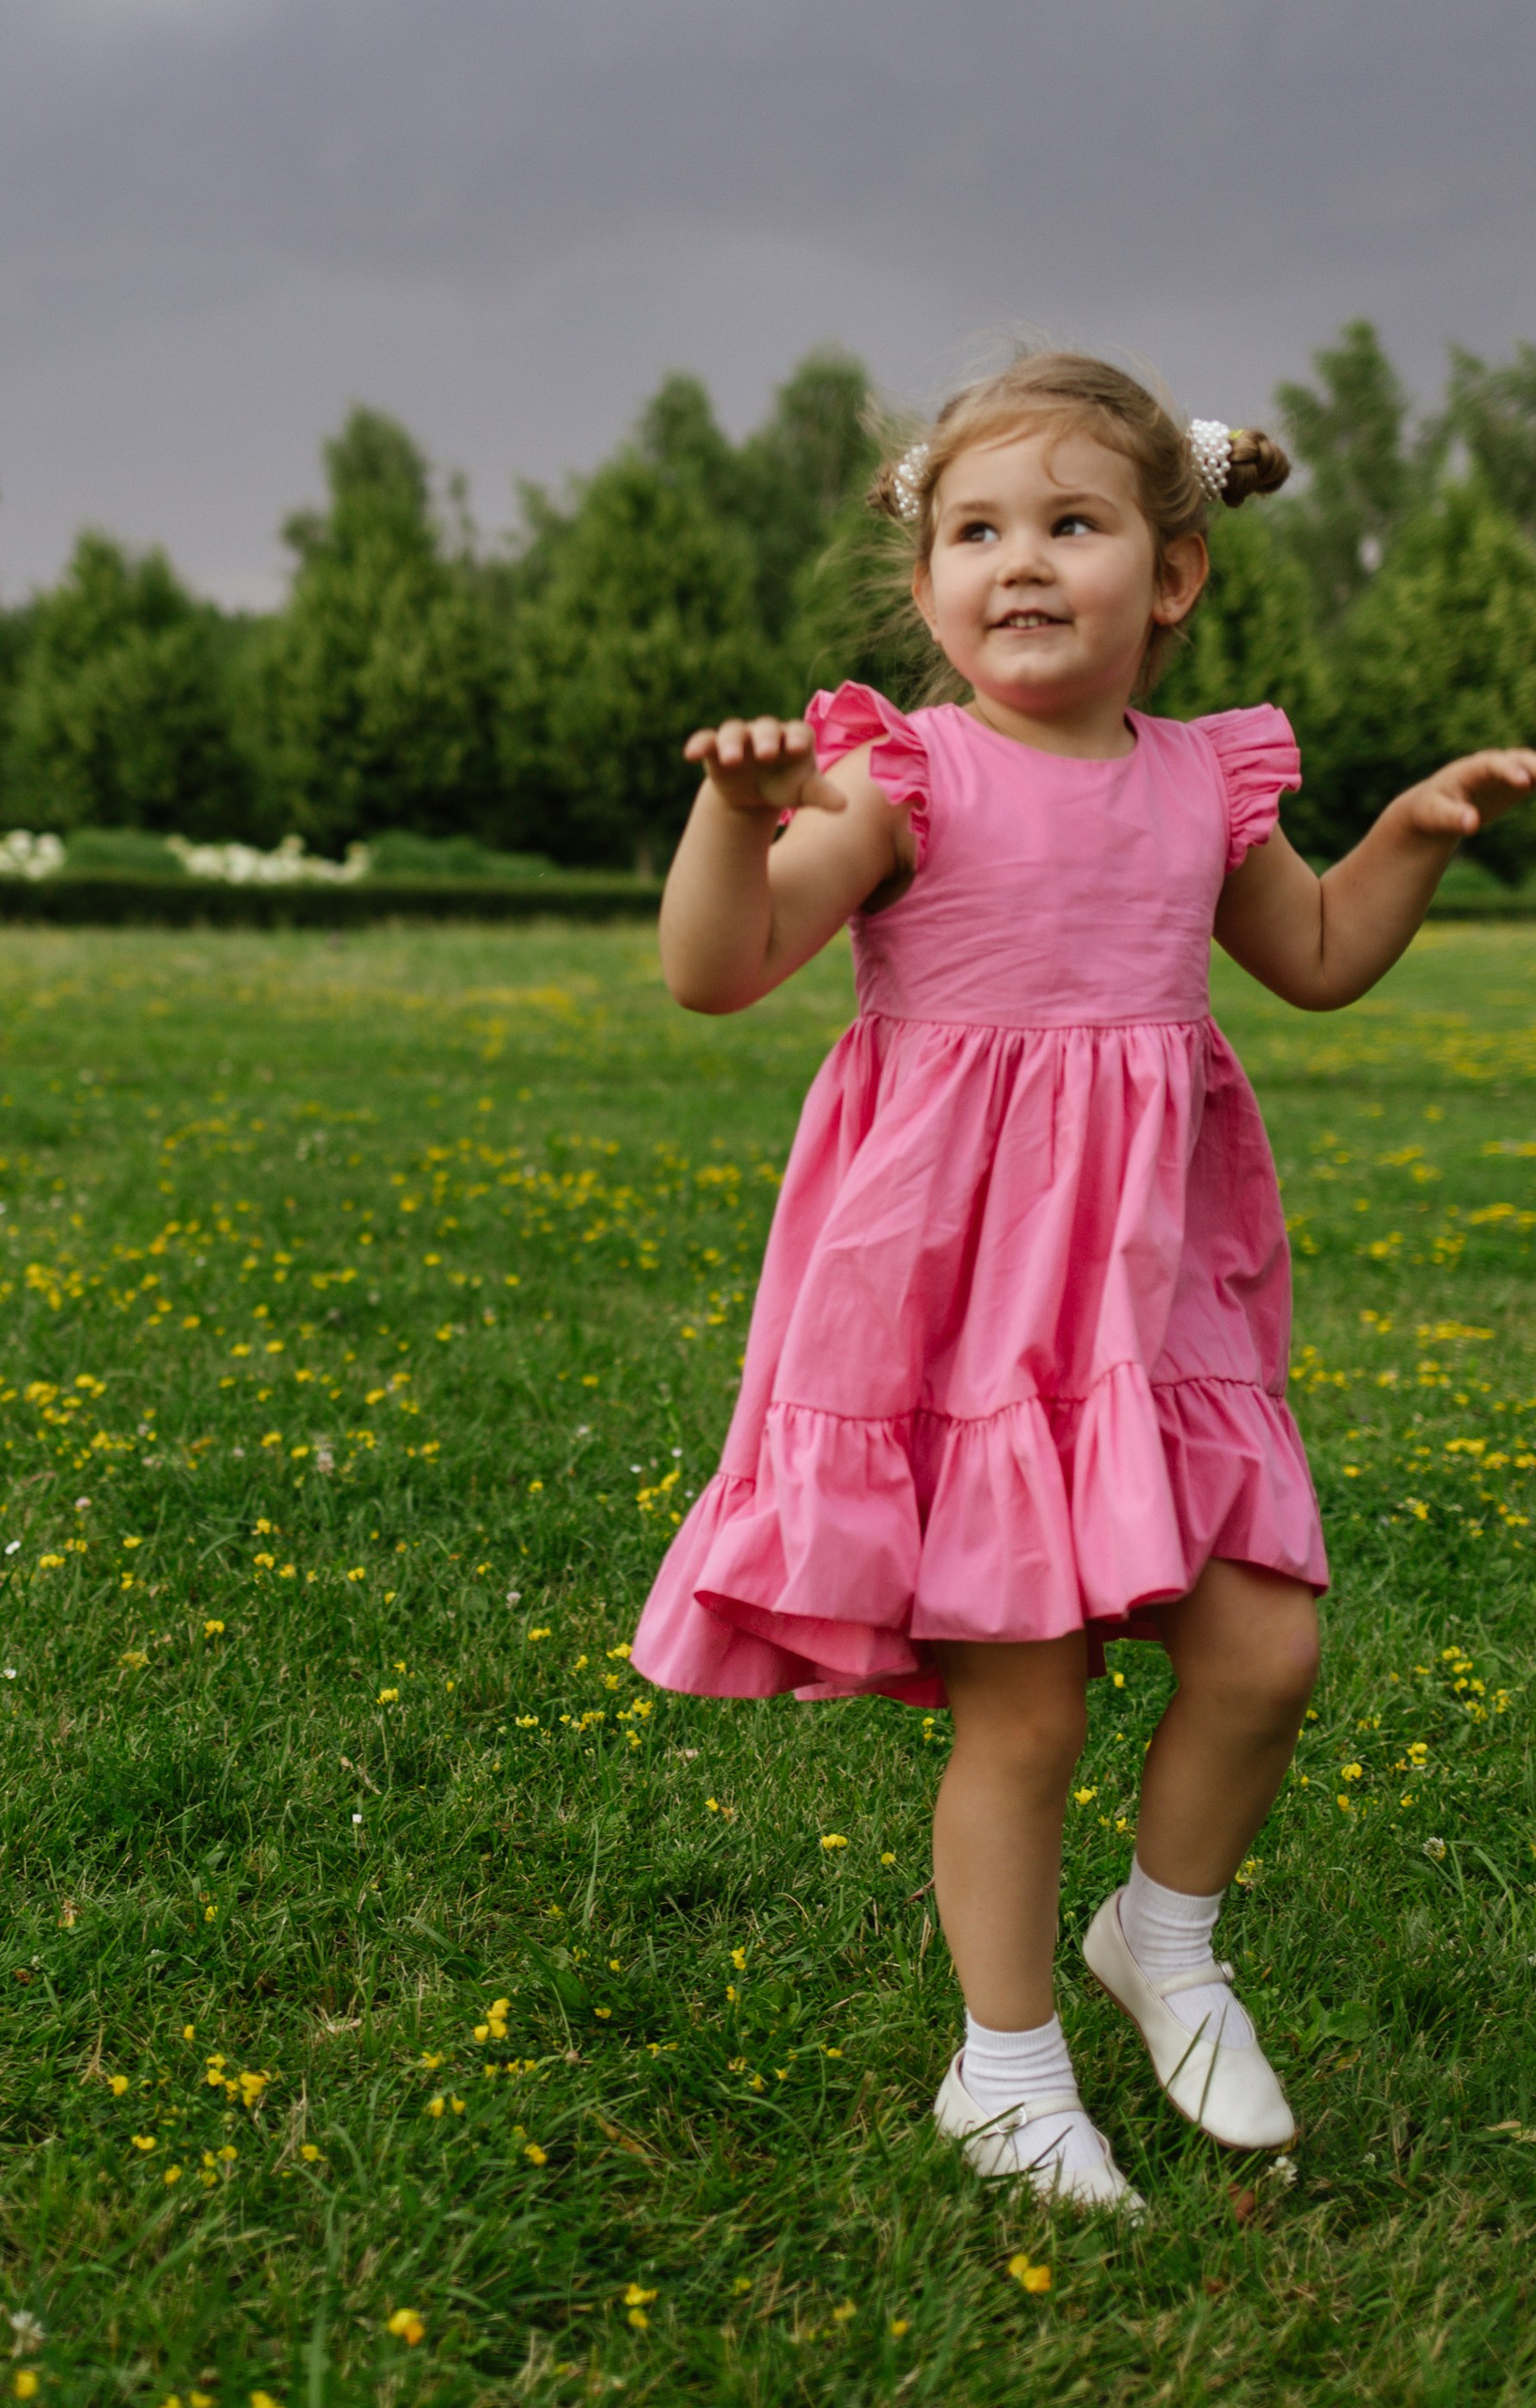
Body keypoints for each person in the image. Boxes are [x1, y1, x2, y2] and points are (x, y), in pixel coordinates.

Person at [634, 350, 1536, 2214]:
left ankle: (1164, 1934)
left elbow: (1305, 952)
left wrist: (1410, 838)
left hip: (1144, 1302)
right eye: (975, 529)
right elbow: (718, 971)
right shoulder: (904, 776)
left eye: (1069, 523)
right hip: (958, 1315)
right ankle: (1005, 2062)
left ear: (1172, 574)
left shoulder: (1199, 782)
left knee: (1262, 1644)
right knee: (1021, 1706)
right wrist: (732, 814)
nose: (1018, 561)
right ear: (924, 577)